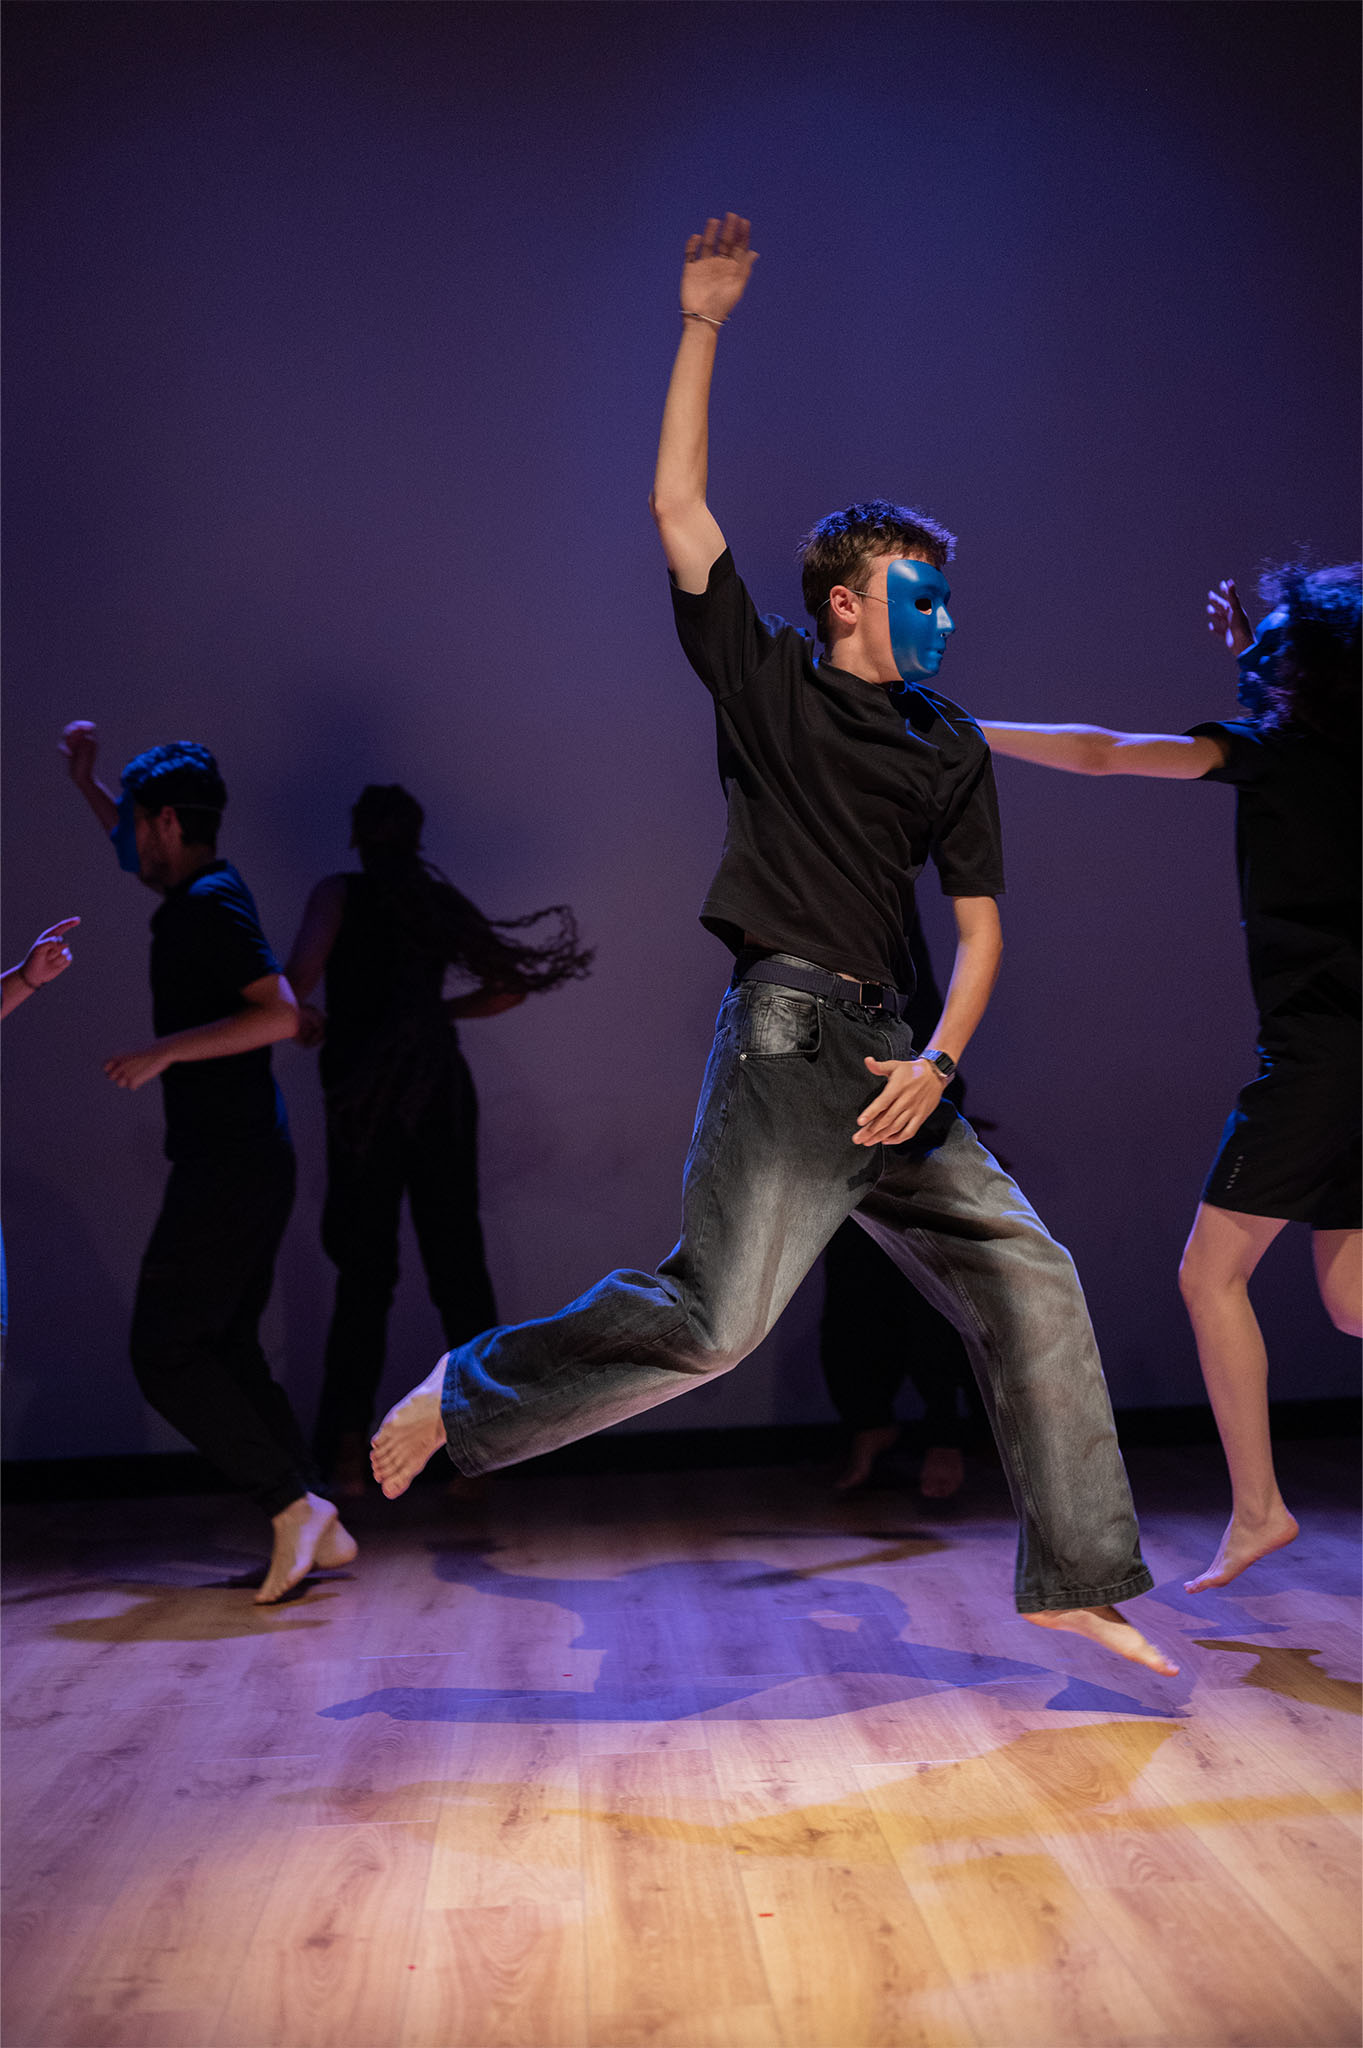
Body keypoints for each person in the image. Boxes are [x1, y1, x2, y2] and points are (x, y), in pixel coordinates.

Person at [371, 214, 1176, 1677]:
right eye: (913, 592)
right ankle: (466, 1396)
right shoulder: (767, 686)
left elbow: (982, 931)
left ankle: (1070, 1574)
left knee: (1034, 1276)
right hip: (787, 1038)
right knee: (715, 1326)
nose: (939, 614)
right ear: (843, 605)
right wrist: (702, 324)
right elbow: (679, 507)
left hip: (898, 1063)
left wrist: (939, 1061)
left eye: (945, 592)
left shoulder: (944, 746)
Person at [979, 565, 1361, 1593]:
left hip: (1322, 1057)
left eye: (1268, 650)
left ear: (1307, 672)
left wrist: (957, 726)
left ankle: (1259, 1509)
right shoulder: (1335, 750)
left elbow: (1101, 754)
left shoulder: (1271, 753)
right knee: (1354, 1296)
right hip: (1350, 1054)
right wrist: (1259, 642)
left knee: (1208, 1274)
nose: (1249, 659)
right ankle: (1259, 1509)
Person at [60, 723, 355, 1602]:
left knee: (164, 1349)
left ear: (164, 826)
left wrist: (164, 1053)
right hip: (245, 1157)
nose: (122, 842)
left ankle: (291, 1507)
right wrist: (88, 779)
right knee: (223, 1344)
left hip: (229, 1163)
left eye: (131, 826)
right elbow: (130, 835)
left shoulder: (209, 905)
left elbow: (278, 1015)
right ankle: (314, 1514)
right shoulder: (199, 885)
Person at [283, 782, 592, 1492]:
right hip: (435, 1090)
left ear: (358, 835)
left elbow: (297, 982)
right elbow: (511, 983)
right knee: (457, 1266)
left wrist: (313, 1020)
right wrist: (434, 1011)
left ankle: (341, 1456)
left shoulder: (340, 893)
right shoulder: (432, 901)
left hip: (366, 1092)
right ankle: (479, 1452)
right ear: (416, 839)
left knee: (366, 1274)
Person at [822, 916, 981, 1497]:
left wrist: (935, 1098)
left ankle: (944, 1437)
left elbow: (931, 1035)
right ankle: (870, 1425)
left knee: (930, 1297)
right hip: (837, 1137)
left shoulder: (890, 924)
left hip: (912, 1129)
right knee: (850, 1298)